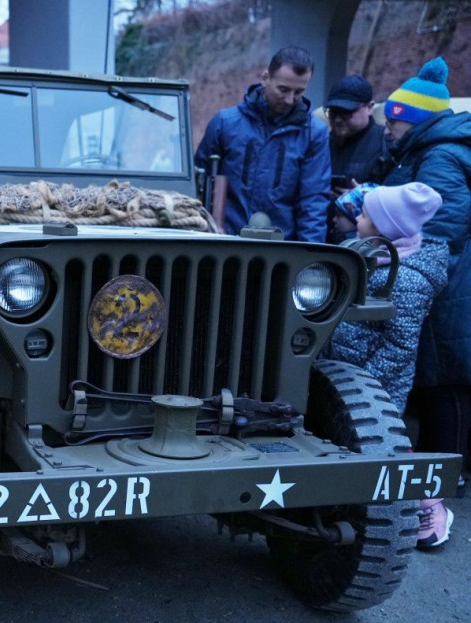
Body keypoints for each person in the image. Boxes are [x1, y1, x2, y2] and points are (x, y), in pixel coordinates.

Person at [323, 182, 453, 549]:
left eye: (364, 214)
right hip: (344, 375)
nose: (357, 218)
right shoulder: (369, 258)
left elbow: (399, 346)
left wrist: (364, 388)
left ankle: (428, 504)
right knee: (353, 445)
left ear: (384, 228)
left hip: (372, 388)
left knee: (386, 449)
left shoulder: (407, 279)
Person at [380, 56, 471, 509]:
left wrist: (411, 268)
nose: (388, 132)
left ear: (412, 121)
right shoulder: (435, 151)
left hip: (450, 286)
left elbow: (441, 229)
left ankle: (444, 476)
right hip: (451, 280)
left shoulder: (439, 157)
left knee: (444, 382)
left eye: (393, 124)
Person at [194, 46, 331, 241]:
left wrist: (309, 258)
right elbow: (197, 188)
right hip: (222, 241)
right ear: (265, 78)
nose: (290, 99)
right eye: (283, 89)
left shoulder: (314, 134)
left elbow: (313, 202)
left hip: (281, 248)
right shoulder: (225, 123)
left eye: (299, 92)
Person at [323, 74, 392, 243]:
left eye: (346, 113)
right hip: (325, 234)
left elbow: (397, 199)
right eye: (333, 113)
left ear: (370, 108)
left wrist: (364, 197)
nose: (338, 119)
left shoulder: (387, 142)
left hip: (365, 243)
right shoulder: (323, 142)